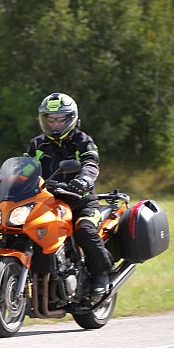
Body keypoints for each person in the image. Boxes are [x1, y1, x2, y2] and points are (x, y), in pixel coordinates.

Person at [26, 92, 111, 300]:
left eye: (60, 119)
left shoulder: (83, 141)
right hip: (48, 202)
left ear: (71, 118)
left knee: (84, 229)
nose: (55, 124)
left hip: (81, 202)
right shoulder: (37, 145)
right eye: (50, 119)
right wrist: (8, 183)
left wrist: (84, 180)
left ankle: (102, 275)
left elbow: (91, 163)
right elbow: (26, 169)